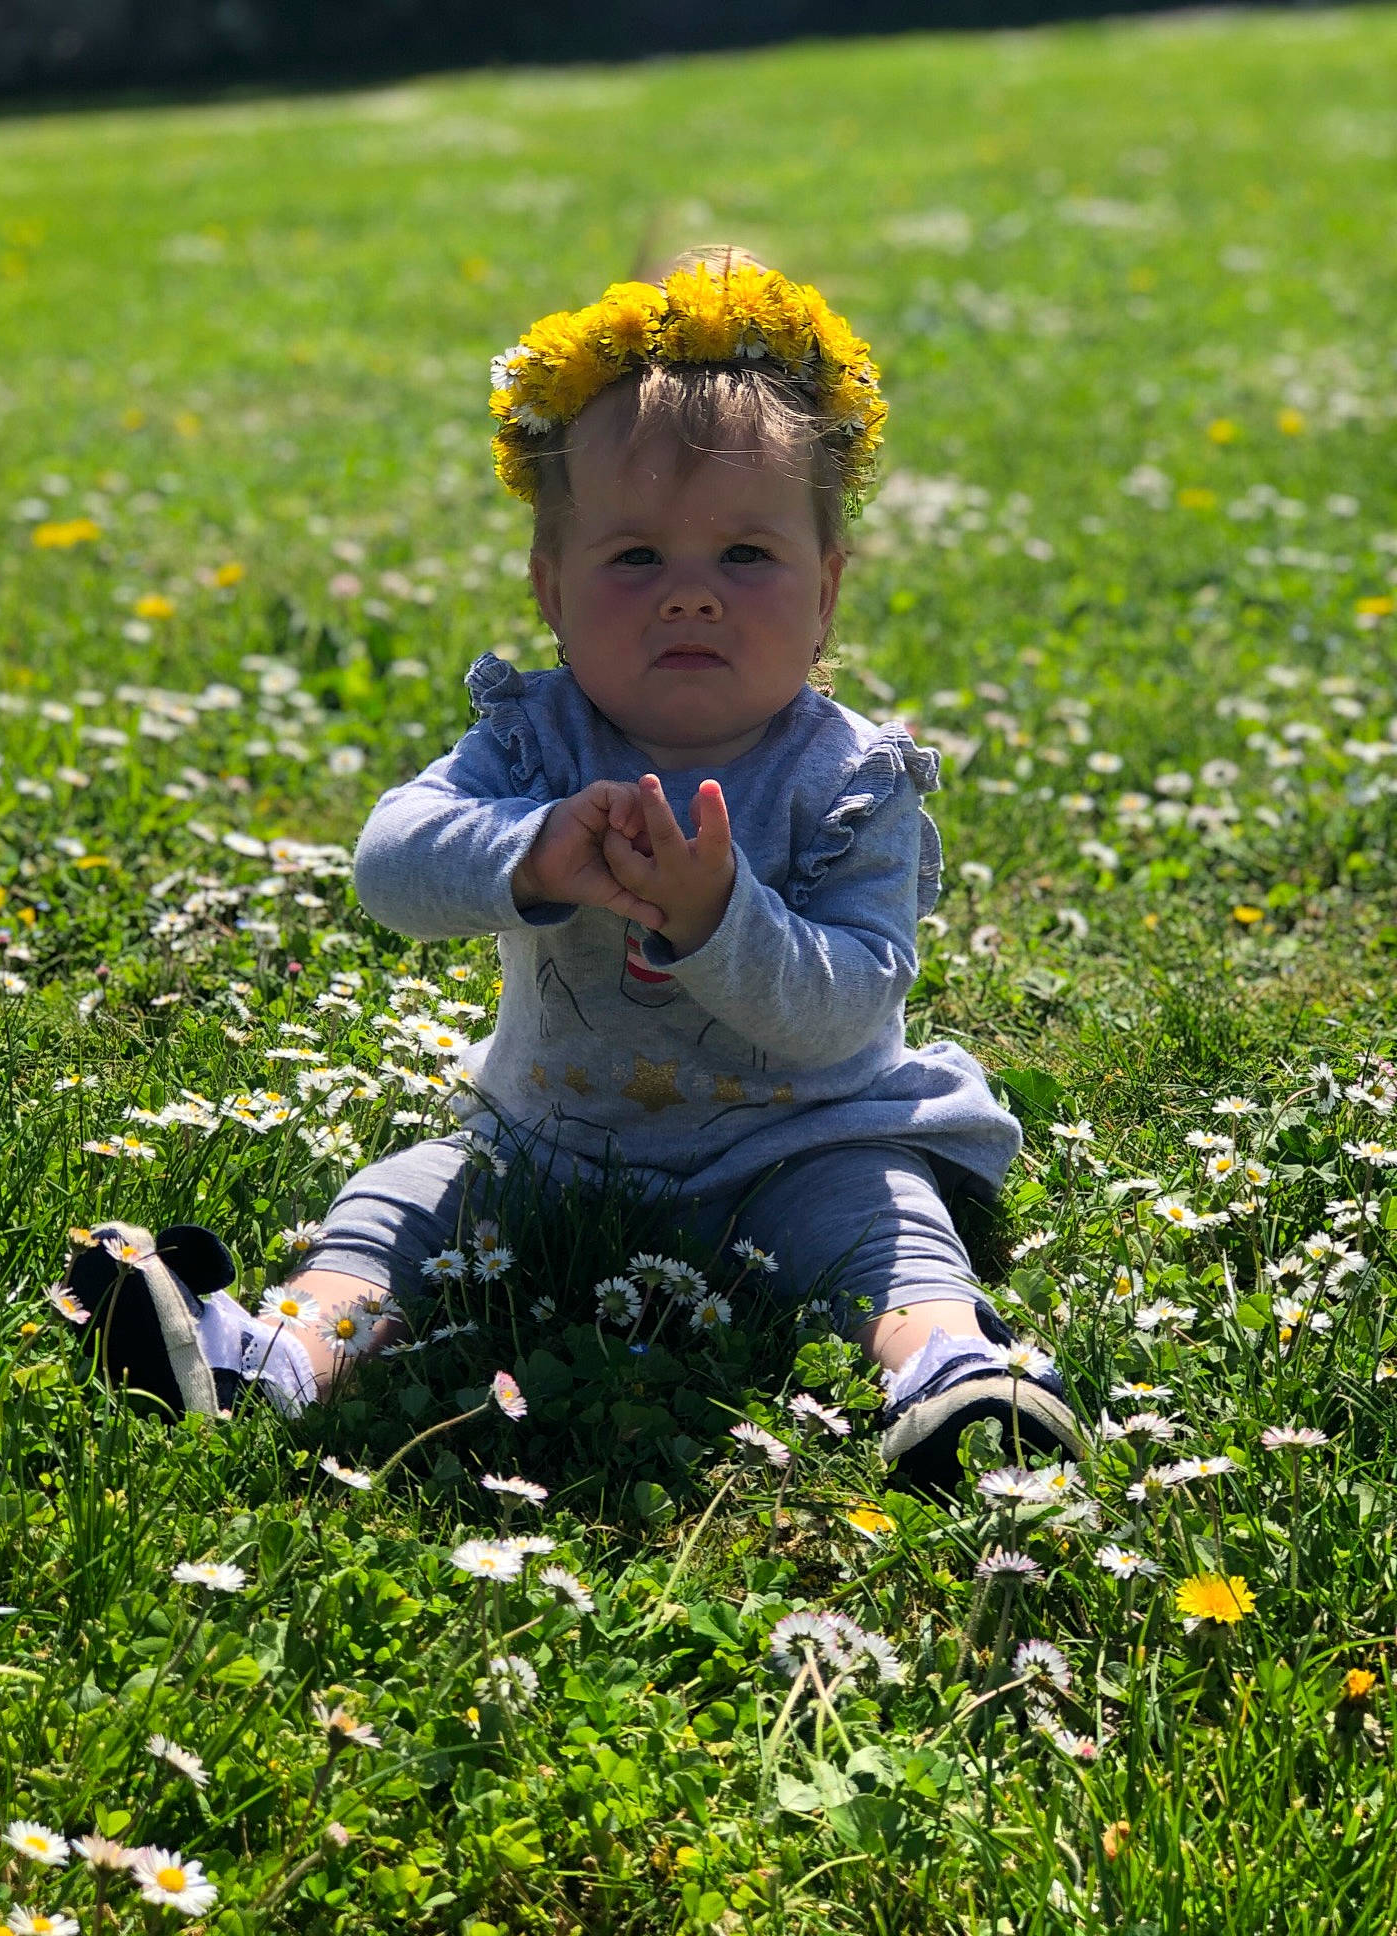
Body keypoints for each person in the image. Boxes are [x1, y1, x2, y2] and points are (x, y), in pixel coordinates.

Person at [71, 248, 1083, 1488]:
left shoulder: (849, 781)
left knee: (883, 1221)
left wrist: (720, 917)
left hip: (798, 1140)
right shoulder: (534, 740)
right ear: (552, 587)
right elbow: (389, 863)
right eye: (637, 559)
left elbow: (849, 1009)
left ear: (826, 594)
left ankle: (952, 1372)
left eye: (746, 558)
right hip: (549, 1145)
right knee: (403, 1200)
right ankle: (268, 1358)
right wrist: (531, 851)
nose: (691, 598)